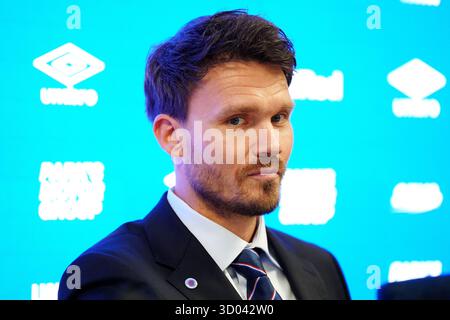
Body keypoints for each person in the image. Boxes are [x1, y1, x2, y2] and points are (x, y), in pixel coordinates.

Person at [58, 9, 350, 300]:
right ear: (172, 136)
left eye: (278, 118)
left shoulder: (321, 267)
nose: (270, 146)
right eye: (236, 120)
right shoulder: (110, 279)